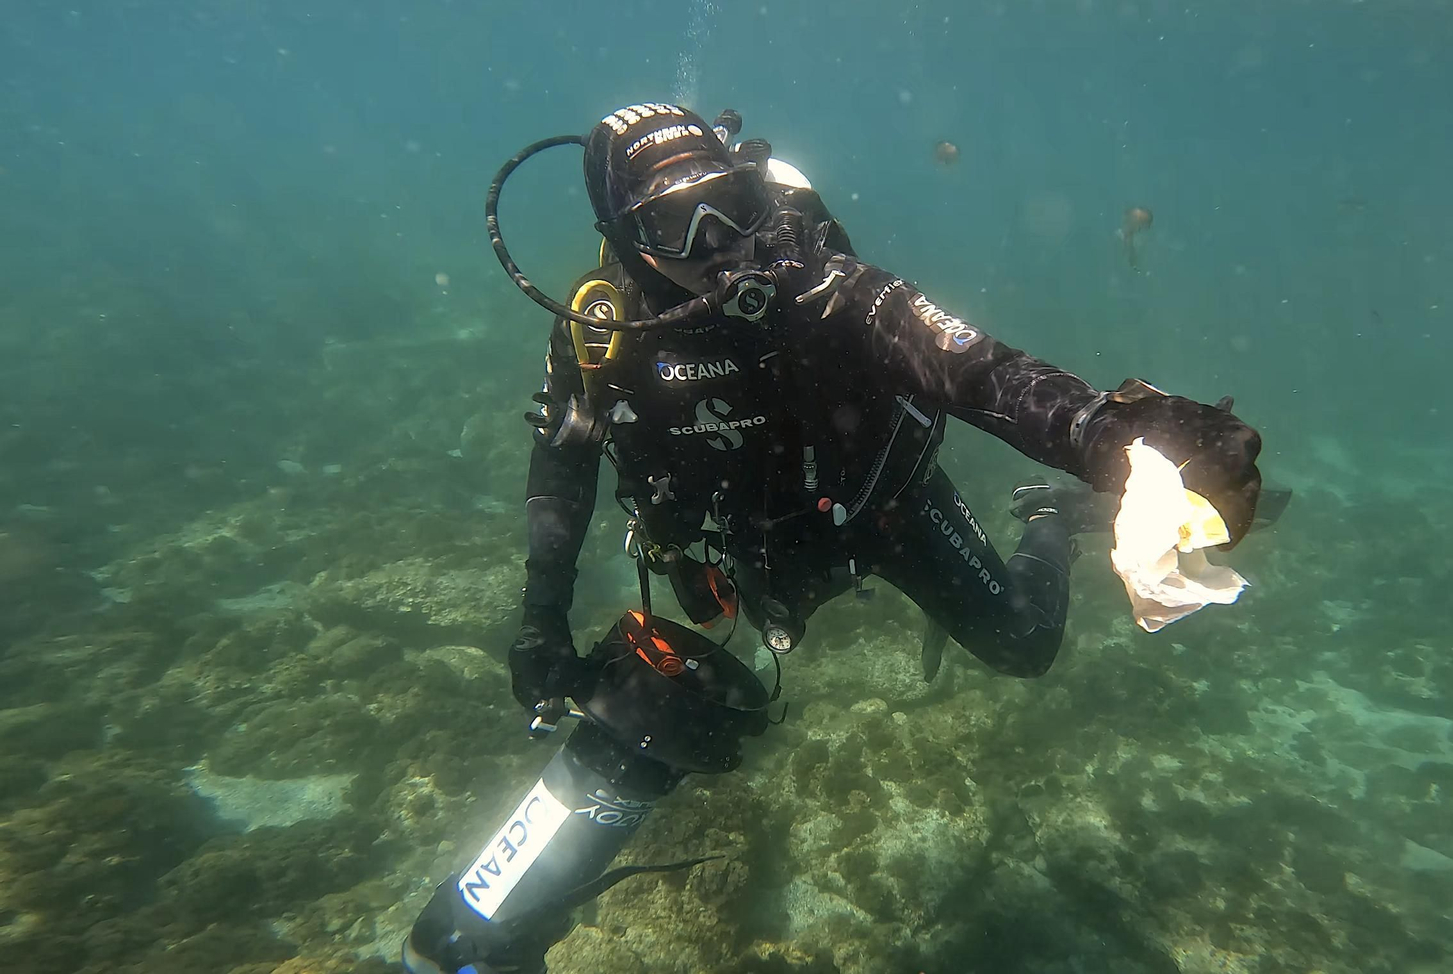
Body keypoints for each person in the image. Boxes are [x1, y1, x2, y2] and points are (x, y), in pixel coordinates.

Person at [401, 103, 1264, 974]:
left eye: (728, 205)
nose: (715, 244)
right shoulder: (598, 331)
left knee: (1023, 644)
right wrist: (541, 618)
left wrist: (1118, 437)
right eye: (671, 222)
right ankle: (482, 936)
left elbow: (974, 367)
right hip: (735, 549)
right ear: (621, 237)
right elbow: (562, 469)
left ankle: (1047, 523)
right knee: (642, 708)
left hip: (885, 510)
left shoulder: (821, 286)